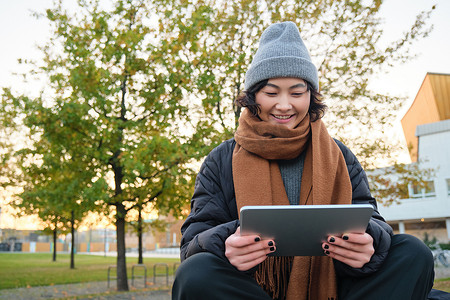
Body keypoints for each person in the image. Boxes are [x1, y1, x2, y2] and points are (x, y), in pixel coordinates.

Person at [172, 21, 436, 300]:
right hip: (251, 288)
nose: (284, 105)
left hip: (335, 285)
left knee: (412, 252)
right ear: (252, 97)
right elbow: (193, 243)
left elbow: (372, 219)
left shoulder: (340, 154)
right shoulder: (220, 159)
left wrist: (369, 243)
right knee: (195, 272)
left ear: (311, 96)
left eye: (297, 93)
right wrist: (229, 242)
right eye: (271, 93)